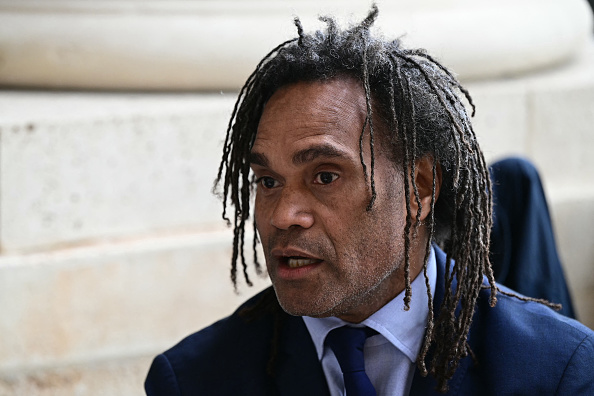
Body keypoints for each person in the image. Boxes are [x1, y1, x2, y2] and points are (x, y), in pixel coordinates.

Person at [145, 6, 594, 395]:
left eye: (324, 176)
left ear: (418, 189)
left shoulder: (557, 372)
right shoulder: (194, 380)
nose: (283, 215)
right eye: (267, 181)